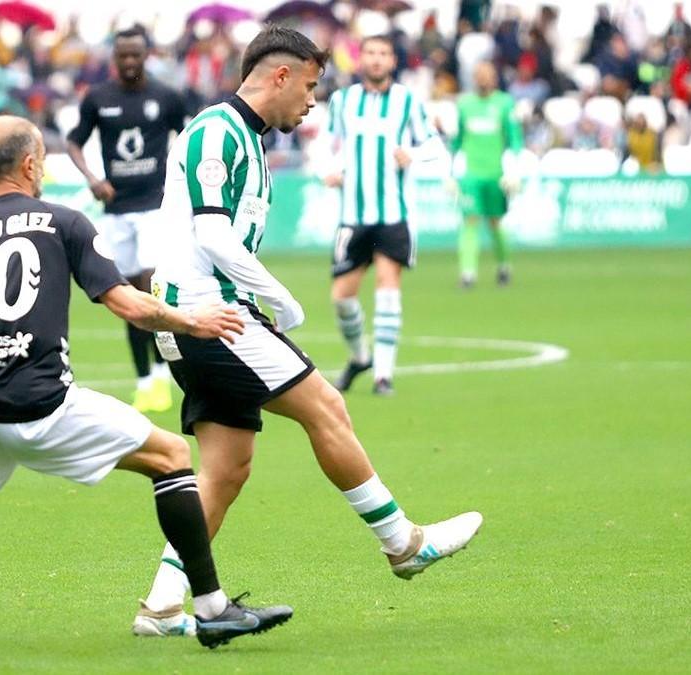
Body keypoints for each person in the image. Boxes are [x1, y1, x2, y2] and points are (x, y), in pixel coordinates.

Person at [0, 116, 291, 653]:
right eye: (42, 156)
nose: (44, 165)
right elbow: (129, 305)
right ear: (28, 164)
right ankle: (211, 609)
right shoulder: (64, 222)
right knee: (171, 457)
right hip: (44, 405)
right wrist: (193, 321)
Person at [134, 26, 482, 637]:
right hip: (211, 313)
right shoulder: (219, 131)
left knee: (226, 468)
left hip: (202, 314)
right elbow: (212, 236)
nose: (314, 100)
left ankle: (162, 607)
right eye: (312, 85)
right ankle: (403, 543)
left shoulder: (244, 135)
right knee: (326, 405)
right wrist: (279, 297)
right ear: (280, 76)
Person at [67, 26, 188, 413]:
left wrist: (178, 181)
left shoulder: (165, 97)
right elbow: (73, 140)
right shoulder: (98, 98)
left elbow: (187, 139)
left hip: (154, 207)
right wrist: (92, 179)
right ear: (114, 58)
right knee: (127, 297)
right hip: (117, 210)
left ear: (147, 54)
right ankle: (145, 380)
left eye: (137, 54)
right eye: (124, 56)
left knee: (151, 286)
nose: (130, 61)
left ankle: (163, 373)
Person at [323, 34, 446, 396]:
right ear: (361, 60)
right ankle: (361, 357)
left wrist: (414, 155)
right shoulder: (343, 101)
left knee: (387, 288)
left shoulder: (407, 101)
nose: (377, 60)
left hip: (394, 213)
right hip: (353, 214)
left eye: (384, 54)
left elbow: (434, 145)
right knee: (342, 297)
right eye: (371, 53)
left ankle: (384, 375)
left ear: (393, 61)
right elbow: (327, 145)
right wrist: (330, 171)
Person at [452, 60, 523, 289]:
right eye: (479, 75)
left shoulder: (504, 103)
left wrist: (513, 168)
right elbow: (456, 139)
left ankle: (503, 266)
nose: (483, 79)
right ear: (474, 78)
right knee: (469, 220)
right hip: (472, 174)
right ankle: (468, 273)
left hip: (496, 173)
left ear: (494, 78)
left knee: (495, 222)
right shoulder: (464, 104)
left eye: (488, 75)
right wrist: (451, 170)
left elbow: (514, 138)